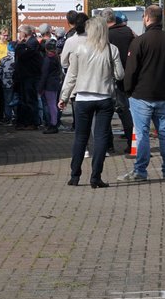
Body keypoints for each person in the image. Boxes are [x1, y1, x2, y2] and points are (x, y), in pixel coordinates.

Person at [58, 12, 123, 188]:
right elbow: (120, 74)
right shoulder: (111, 49)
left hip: (83, 98)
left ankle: (75, 176)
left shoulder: (80, 49)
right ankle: (96, 177)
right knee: (101, 138)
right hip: (104, 97)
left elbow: (71, 76)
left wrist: (64, 97)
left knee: (80, 137)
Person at [119, 4, 165, 182]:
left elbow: (131, 71)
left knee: (142, 134)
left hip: (141, 95)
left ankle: (140, 171)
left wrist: (128, 90)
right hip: (162, 94)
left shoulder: (139, 41)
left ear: (147, 17)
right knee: (164, 133)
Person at [106, 12, 136, 152]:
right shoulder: (129, 32)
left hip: (109, 78)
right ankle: (131, 143)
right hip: (127, 77)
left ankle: (108, 145)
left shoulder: (106, 35)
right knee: (125, 112)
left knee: (105, 113)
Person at [12, 24, 41, 130]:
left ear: (24, 33)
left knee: (30, 99)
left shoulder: (32, 43)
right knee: (23, 100)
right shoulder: (26, 43)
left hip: (29, 76)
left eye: (20, 32)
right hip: (23, 76)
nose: (19, 34)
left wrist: (19, 44)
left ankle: (32, 122)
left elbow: (22, 55)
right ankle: (23, 121)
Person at [38, 39, 62, 133]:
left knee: (51, 105)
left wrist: (40, 87)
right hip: (55, 83)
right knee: (53, 104)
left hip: (49, 85)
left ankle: (53, 124)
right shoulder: (56, 58)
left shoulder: (47, 60)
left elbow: (44, 74)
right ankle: (54, 122)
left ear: (46, 49)